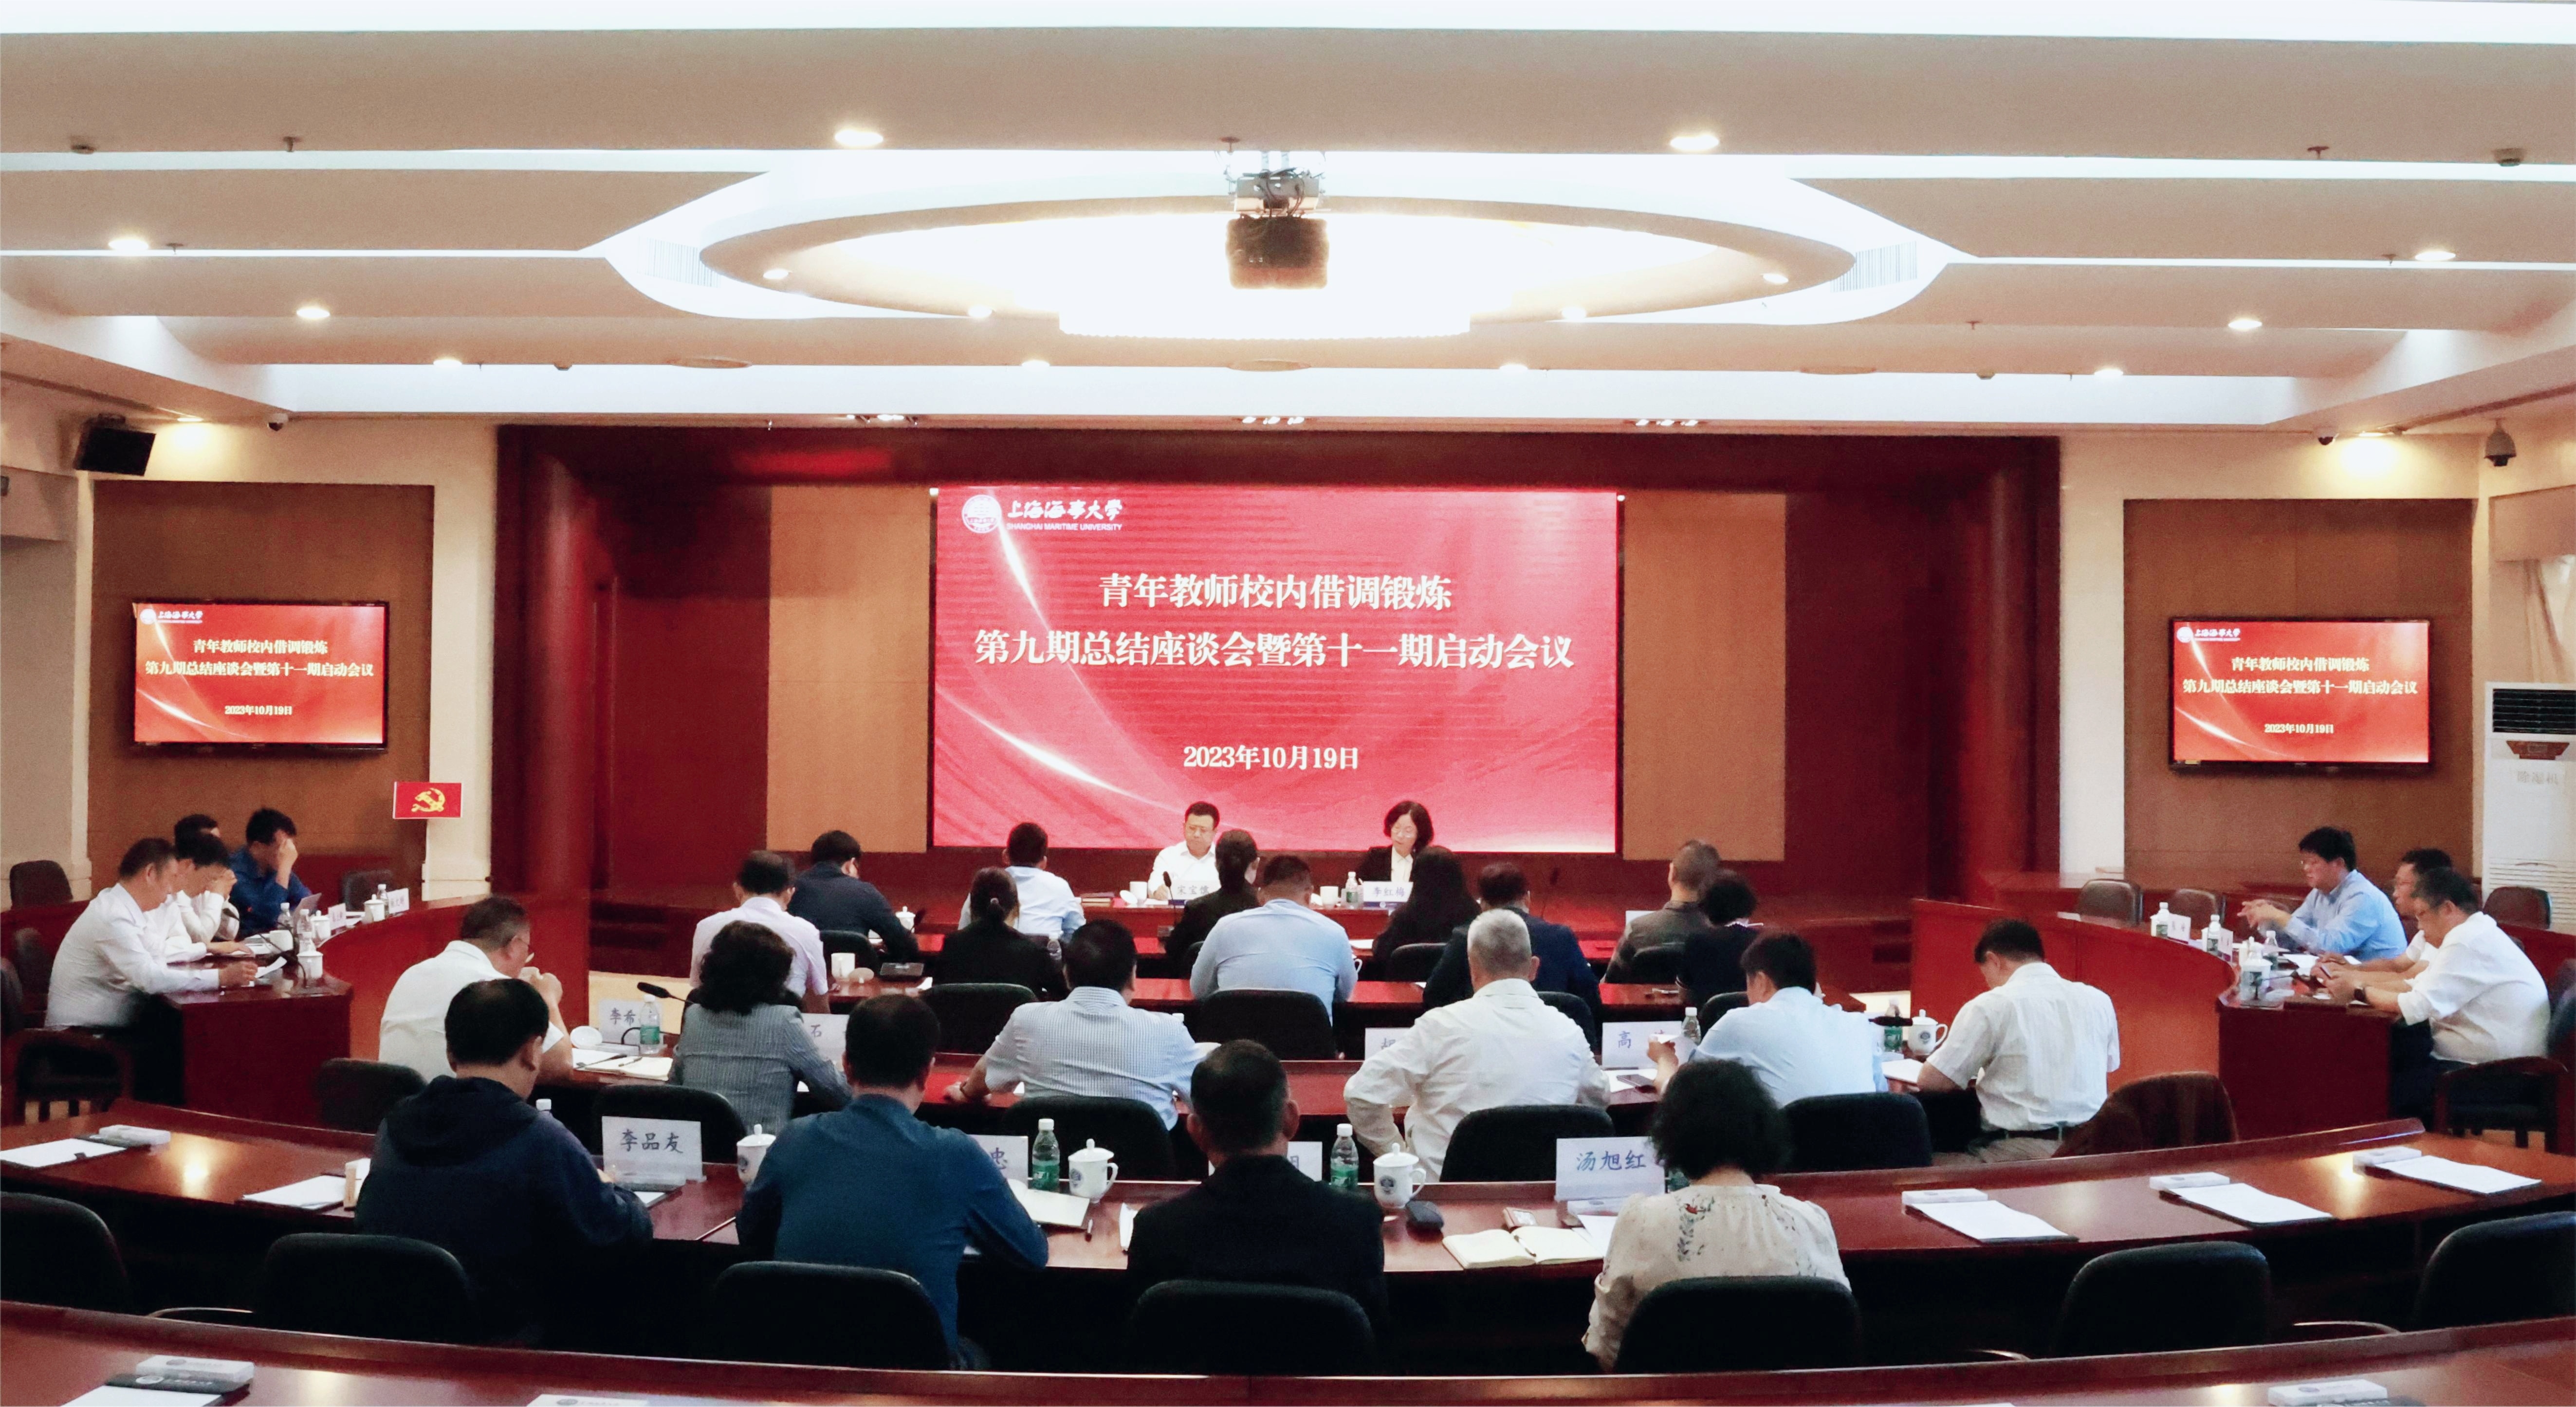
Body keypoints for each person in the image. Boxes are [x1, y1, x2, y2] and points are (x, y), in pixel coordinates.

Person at [737, 995, 1048, 1365]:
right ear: (927, 1071)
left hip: (803, 1365)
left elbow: (750, 1233)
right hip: (919, 1377)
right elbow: (1031, 1253)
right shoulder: (955, 1154)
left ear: (846, 1066)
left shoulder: (794, 1138)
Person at [355, 979, 654, 1343]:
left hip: (391, 1340)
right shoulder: (539, 1137)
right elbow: (620, 1234)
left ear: (451, 1053)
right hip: (503, 1350)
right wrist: (612, 1190)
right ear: (532, 1051)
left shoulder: (393, 1124)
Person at [1582, 1059, 1845, 1370]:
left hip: (1667, 1394)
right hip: (1788, 1394)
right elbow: (1837, 1334)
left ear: (1671, 1135)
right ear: (1765, 1130)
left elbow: (1606, 1346)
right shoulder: (1811, 1221)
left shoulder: (1642, 1220)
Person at [1127, 1041, 1388, 1327]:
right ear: (1291, 1120)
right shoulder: (1356, 1221)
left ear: (1196, 1131)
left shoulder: (1156, 1229)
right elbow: (1374, 1338)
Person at [1345, 910, 1609, 1180]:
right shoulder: (1570, 1032)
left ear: (1472, 967)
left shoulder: (1440, 1026)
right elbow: (1598, 1100)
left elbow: (1362, 1094)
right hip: (1541, 1194)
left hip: (1443, 1196)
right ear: (1533, 968)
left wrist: (1401, 1160)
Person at [2323, 867, 2549, 1121]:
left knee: (2379, 1083)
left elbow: (2416, 1006)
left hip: (2502, 1075)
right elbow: (2418, 985)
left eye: (2422, 916)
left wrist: (2358, 991)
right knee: (2388, 1052)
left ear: (2448, 909)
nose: (2420, 928)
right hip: (2490, 1064)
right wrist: (2355, 981)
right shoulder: (2475, 932)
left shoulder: (2466, 940)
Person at [946, 921, 1200, 1127]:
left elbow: (983, 1079)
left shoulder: (1026, 1020)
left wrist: (966, 1093)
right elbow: (1206, 1104)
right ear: (1133, 976)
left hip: (1046, 1169)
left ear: (1066, 974)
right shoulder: (1168, 1031)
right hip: (1143, 1171)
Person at [1919, 918, 2121, 1163]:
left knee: (1919, 1164)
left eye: (1986, 975)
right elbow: (2108, 1067)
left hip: (2018, 1152)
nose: (1988, 984)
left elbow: (1933, 1082)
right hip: (2091, 1150)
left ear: (1994, 960)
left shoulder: (1992, 1005)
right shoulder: (2099, 1000)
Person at [47, 838, 258, 1037]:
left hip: (109, 1024)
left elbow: (156, 952)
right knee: (188, 1034)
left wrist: (207, 950)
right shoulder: (113, 916)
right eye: (171, 879)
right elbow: (149, 978)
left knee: (182, 1028)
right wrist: (221, 977)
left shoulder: (124, 906)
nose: (171, 891)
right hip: (80, 1037)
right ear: (150, 874)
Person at [1647, 933, 1886, 1106]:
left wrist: (1665, 1061)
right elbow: (1881, 1096)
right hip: (1860, 1156)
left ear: (1761, 981)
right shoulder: (1859, 1025)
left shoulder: (1741, 1023)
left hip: (1782, 1157)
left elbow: (1681, 1098)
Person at [674, 923, 851, 1134]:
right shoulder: (783, 1021)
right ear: (774, 976)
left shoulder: (694, 1016)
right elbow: (837, 1092)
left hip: (699, 1148)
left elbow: (674, 1088)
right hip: (761, 1150)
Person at [379, 896, 576, 1083]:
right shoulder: (496, 989)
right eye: (527, 949)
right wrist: (547, 998)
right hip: (455, 1105)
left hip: (395, 1104)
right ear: (514, 945)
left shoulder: (412, 974)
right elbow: (561, 1064)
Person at [1189, 855, 1357, 1010]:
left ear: (1260, 896)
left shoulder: (1225, 927)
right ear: (1309, 896)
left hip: (1236, 1033)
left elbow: (1199, 990)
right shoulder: (1334, 933)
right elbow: (1344, 994)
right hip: (1307, 1034)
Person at [1423, 862, 1600, 1010]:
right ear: (1527, 898)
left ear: (1482, 904)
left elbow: (1434, 996)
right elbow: (1590, 997)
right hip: (1550, 1035)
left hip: (1482, 1034)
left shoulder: (1466, 937)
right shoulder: (1561, 937)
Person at [2238, 826, 2406, 963]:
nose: (2306, 868)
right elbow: (2291, 941)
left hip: (2381, 981)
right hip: (2344, 978)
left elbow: (2331, 948)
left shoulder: (2363, 897)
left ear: (2338, 863)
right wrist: (2268, 918)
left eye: (2314, 862)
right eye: (2304, 862)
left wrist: (2281, 916)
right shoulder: (2319, 893)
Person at [690, 851, 829, 1012]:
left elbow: (698, 987)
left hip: (716, 1022)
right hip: (782, 1022)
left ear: (737, 890)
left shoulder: (706, 926)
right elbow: (818, 997)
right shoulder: (806, 931)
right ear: (789, 894)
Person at [2320, 846, 2452, 991]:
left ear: (2428, 887)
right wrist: (2351, 967)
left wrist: (2351, 980)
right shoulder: (2425, 929)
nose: (2395, 894)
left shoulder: (2446, 931)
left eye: (2402, 884)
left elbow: (2409, 979)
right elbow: (2396, 965)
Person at [785, 830, 918, 964]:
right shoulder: (865, 892)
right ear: (850, 865)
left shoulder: (788, 889)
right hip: (854, 975)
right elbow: (905, 945)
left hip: (799, 973)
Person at [1605, 839, 1723, 980]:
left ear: (1672, 874)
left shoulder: (1636, 930)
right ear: (1715, 881)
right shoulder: (1722, 934)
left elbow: (1610, 983)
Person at [942, 867, 1068, 998]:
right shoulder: (1034, 952)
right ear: (1017, 908)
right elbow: (1063, 998)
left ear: (971, 908)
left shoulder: (951, 946)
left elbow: (937, 997)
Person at [1368, 846, 1478, 965]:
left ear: (1416, 877)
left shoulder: (1404, 917)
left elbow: (1381, 952)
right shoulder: (1473, 913)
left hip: (1408, 977)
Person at [150, 830, 250, 958]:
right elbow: (201, 938)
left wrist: (222, 898)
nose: (210, 886)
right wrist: (217, 894)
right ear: (188, 866)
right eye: (210, 878)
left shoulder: (185, 895)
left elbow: (228, 934)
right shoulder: (169, 896)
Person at [1167, 829, 1262, 960]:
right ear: (1256, 864)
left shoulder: (1197, 909)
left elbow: (1173, 951)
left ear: (1217, 865)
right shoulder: (1265, 907)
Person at [1678, 870, 1763, 1007]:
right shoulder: (1763, 943)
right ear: (1748, 903)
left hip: (1708, 1019)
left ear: (1704, 907)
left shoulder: (1696, 942)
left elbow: (1685, 993)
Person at [228, 806, 312, 936]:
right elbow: (269, 918)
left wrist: (288, 916)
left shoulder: (274, 866)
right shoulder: (234, 874)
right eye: (282, 848)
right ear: (257, 848)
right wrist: (284, 868)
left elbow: (307, 902)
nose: (286, 853)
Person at [992, 822, 1083, 941]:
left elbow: (968, 928)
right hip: (1046, 952)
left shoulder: (986, 884)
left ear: (1005, 856)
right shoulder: (1060, 886)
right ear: (1044, 862)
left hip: (995, 952)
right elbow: (1077, 934)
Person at [1147, 802, 1225, 901]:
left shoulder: (1224, 858)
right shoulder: (1168, 855)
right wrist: (1158, 892)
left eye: (1203, 830)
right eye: (1192, 828)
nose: (1196, 835)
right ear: (1184, 827)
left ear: (1215, 832)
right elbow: (1155, 884)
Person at [1357, 801, 1433, 884]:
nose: (1400, 835)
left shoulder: (1428, 862)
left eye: (1408, 831)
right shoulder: (1376, 858)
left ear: (1420, 833)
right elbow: (1358, 885)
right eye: (1397, 828)